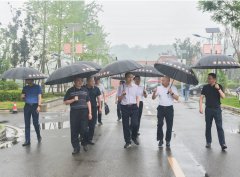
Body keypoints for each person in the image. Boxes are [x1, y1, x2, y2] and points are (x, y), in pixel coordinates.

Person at [199, 73, 227, 151]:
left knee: (219, 127)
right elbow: (201, 98)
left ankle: (223, 144)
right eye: (208, 78)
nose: (208, 80)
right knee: (208, 126)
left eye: (210, 78)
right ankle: (208, 142)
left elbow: (223, 97)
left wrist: (218, 89)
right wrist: (200, 107)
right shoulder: (205, 87)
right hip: (208, 109)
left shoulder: (219, 86)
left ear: (214, 79)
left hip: (217, 109)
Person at [64, 77, 92, 155]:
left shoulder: (85, 90)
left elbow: (88, 102)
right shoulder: (70, 90)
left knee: (84, 129)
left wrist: (90, 113)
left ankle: (84, 143)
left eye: (81, 81)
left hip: (84, 112)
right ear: (74, 82)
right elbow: (65, 102)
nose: (80, 82)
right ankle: (76, 147)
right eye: (78, 81)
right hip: (74, 113)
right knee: (74, 131)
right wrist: (73, 100)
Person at [152, 76, 179, 148]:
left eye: (163, 80)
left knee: (169, 125)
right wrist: (154, 93)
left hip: (169, 109)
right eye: (161, 80)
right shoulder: (159, 88)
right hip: (160, 108)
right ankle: (160, 140)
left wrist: (171, 93)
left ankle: (168, 141)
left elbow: (177, 98)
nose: (162, 81)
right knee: (160, 124)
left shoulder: (173, 87)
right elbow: (153, 98)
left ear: (168, 81)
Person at [118, 72, 140, 148]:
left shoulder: (136, 87)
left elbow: (137, 96)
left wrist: (137, 105)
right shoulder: (121, 87)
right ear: (125, 78)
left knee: (135, 124)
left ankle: (134, 137)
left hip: (134, 106)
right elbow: (119, 99)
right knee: (125, 125)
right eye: (128, 77)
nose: (130, 79)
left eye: (131, 77)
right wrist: (122, 95)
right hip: (124, 107)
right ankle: (127, 141)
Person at [21, 79, 42, 147]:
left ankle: (38, 136)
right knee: (27, 124)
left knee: (35, 123)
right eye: (26, 79)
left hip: (35, 106)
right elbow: (22, 98)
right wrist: (22, 97)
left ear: (31, 80)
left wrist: (39, 106)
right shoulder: (25, 88)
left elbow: (39, 97)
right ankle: (27, 140)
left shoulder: (37, 87)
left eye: (28, 79)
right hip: (27, 106)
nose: (26, 80)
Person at [86, 77, 102, 145]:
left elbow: (99, 98)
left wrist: (100, 108)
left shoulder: (96, 89)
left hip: (94, 108)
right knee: (84, 125)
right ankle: (83, 138)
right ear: (87, 82)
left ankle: (90, 139)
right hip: (84, 109)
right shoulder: (84, 88)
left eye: (94, 81)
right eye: (92, 81)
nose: (93, 82)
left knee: (92, 125)